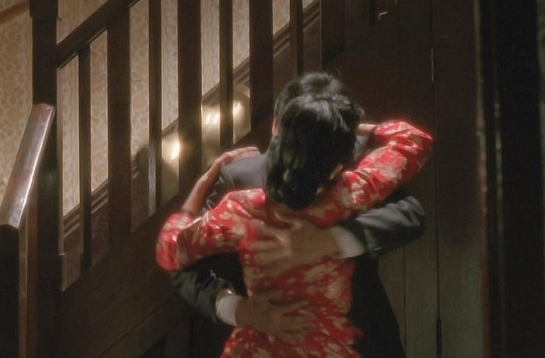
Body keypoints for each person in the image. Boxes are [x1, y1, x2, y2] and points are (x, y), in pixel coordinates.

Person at [156, 91, 434, 357]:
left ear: (278, 136)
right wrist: (344, 128)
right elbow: (412, 140)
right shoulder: (349, 195)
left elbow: (170, 247)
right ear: (336, 167)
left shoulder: (242, 210)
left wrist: (201, 186)